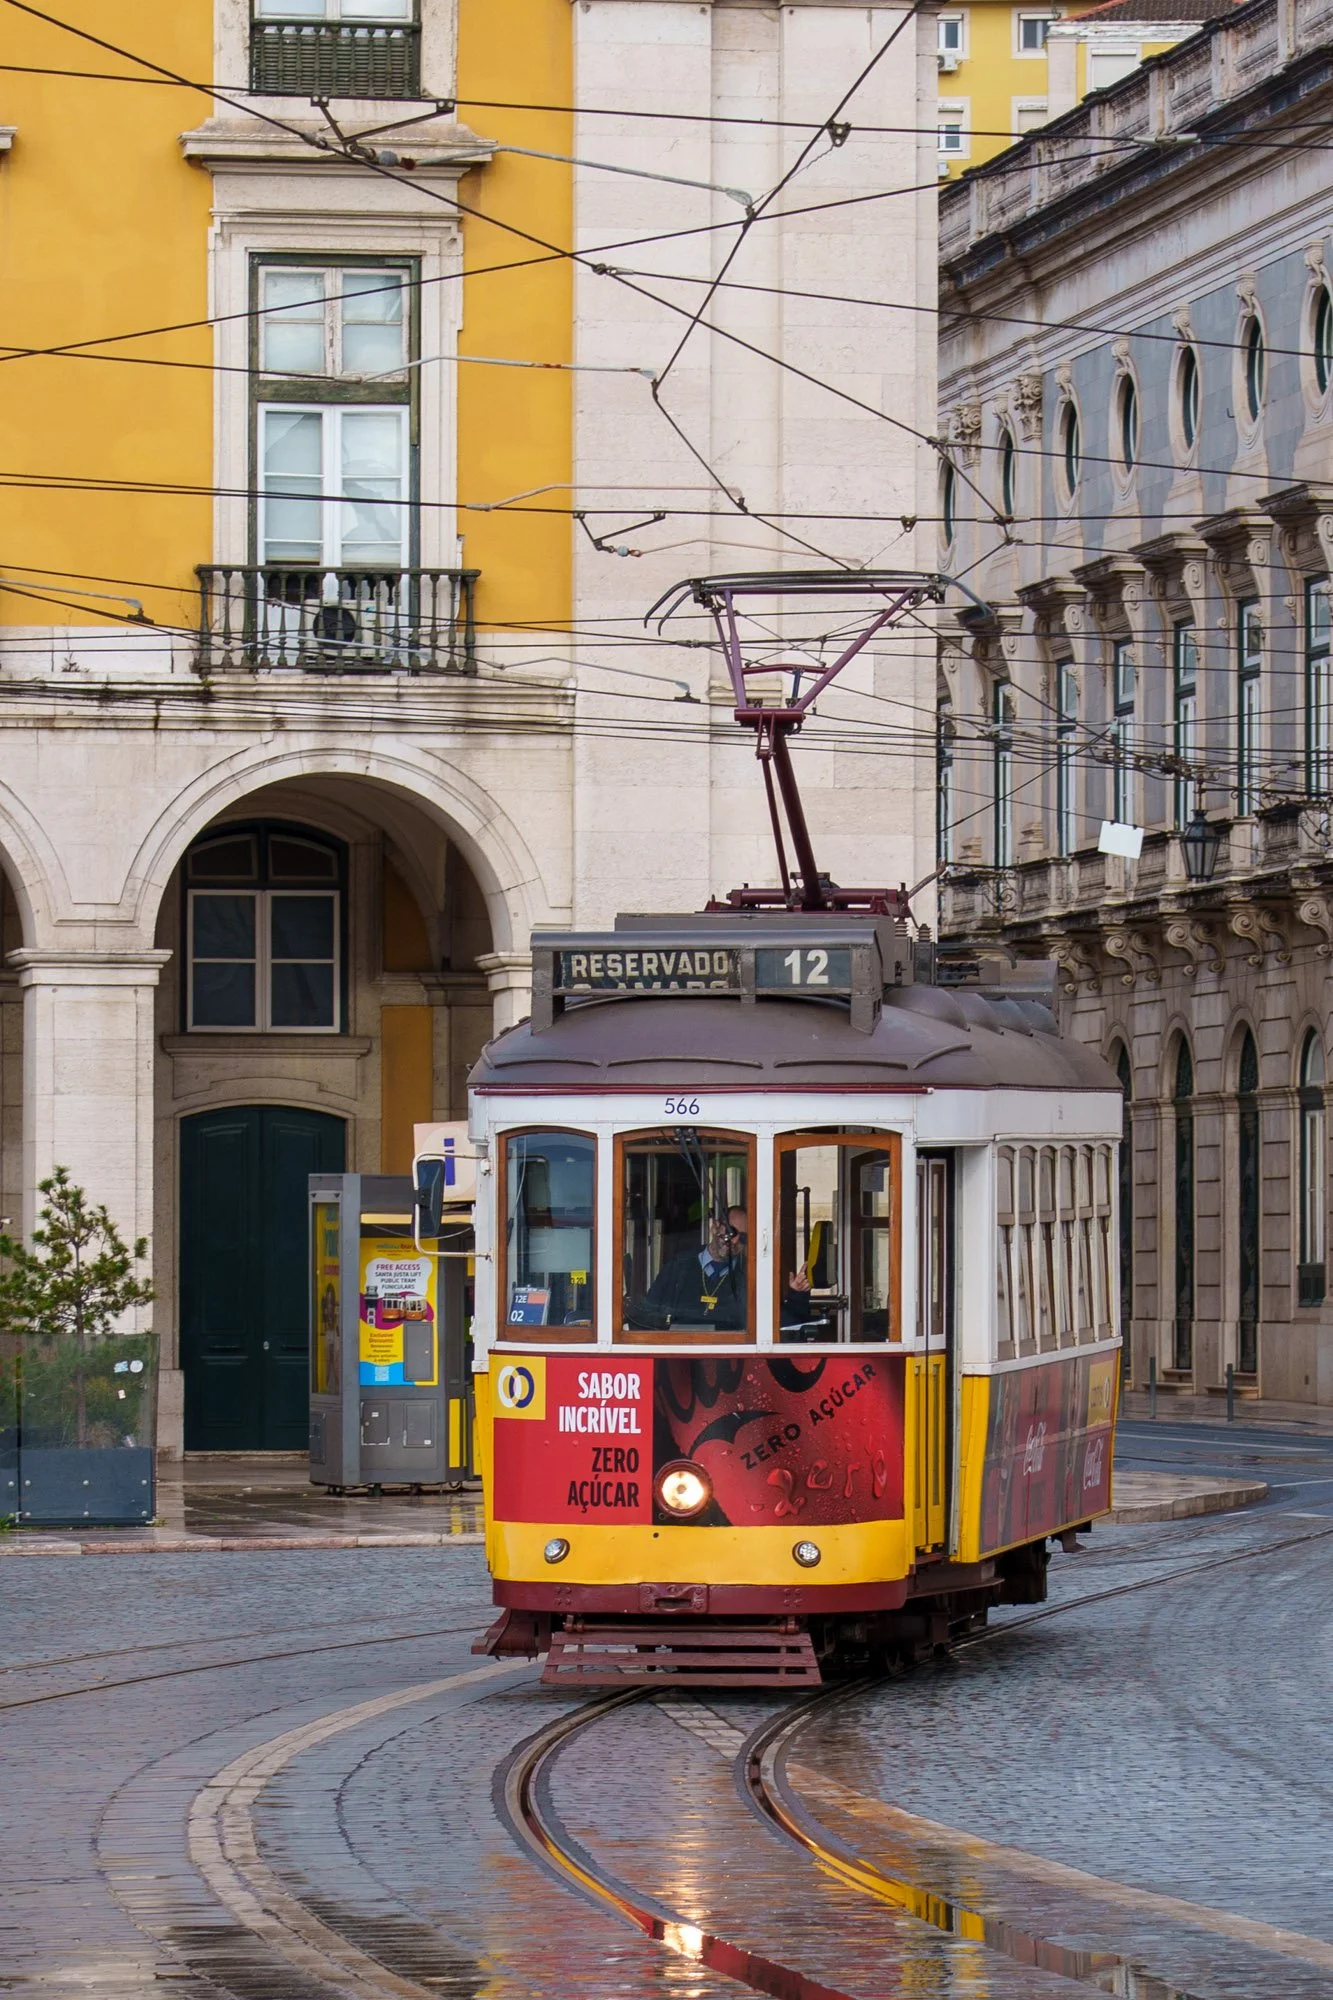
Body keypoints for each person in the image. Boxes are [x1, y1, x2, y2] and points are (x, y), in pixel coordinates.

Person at [625, 1205, 812, 1332]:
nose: (735, 1240)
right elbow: (644, 1319)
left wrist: (797, 1294)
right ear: (716, 1227)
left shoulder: (750, 1277)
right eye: (731, 1232)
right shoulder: (677, 1268)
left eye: (744, 1237)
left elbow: (779, 1328)